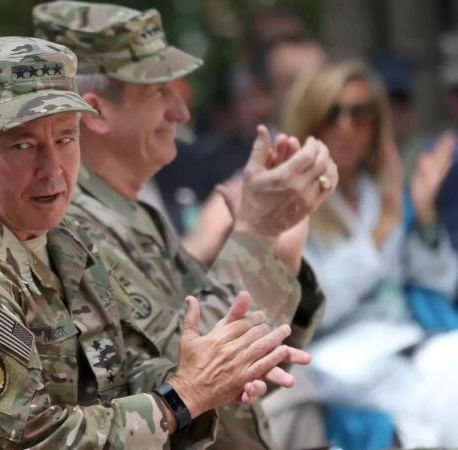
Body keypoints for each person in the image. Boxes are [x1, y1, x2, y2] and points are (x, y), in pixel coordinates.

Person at [0, 35, 312, 448]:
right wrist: (184, 397)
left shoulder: (58, 230)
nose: (52, 169)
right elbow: (36, 438)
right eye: (23, 146)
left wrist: (215, 373)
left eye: (65, 138)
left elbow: (116, 369)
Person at [32, 2, 336, 449]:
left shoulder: (135, 214)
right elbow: (189, 385)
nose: (181, 112)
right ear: (96, 113)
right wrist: (258, 238)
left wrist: (279, 250)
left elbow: (246, 379)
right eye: (159, 93)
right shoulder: (70, 228)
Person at [265, 60, 458, 448]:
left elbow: (436, 282)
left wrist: (424, 218)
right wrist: (371, 245)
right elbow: (308, 311)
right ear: (311, 120)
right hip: (340, 361)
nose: (347, 127)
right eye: (333, 113)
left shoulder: (379, 191)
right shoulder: (285, 200)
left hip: (408, 343)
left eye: (361, 113)